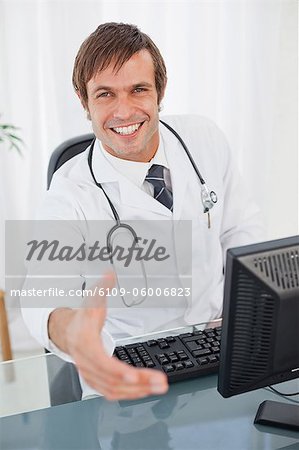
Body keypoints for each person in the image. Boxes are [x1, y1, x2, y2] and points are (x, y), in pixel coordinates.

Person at [22, 22, 264, 401]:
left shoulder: (204, 139)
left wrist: (241, 308)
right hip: (127, 372)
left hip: (221, 350)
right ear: (84, 101)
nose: (124, 111)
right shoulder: (70, 196)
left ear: (160, 92)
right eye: (105, 94)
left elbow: (241, 233)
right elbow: (42, 296)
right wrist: (74, 333)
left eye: (138, 89)